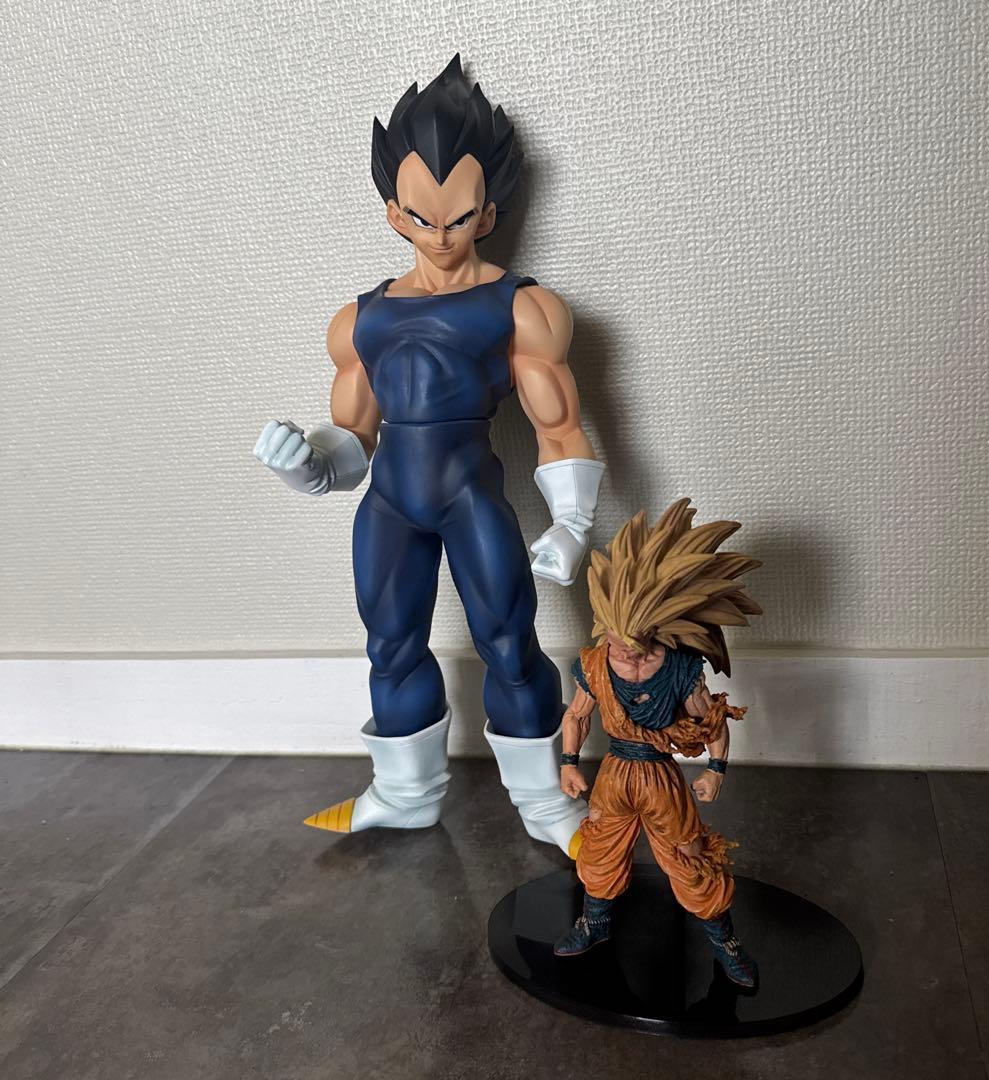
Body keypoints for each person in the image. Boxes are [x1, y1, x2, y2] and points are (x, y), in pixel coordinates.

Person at [253, 56, 605, 854]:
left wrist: (574, 523)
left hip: (471, 496)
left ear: (488, 213)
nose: (439, 236)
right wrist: (304, 465)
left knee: (509, 643)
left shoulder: (524, 308)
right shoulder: (360, 321)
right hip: (391, 504)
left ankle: (545, 802)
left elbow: (558, 428)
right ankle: (405, 792)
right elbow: (352, 444)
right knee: (389, 643)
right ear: (393, 213)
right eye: (420, 216)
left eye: (459, 217)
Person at [554, 499, 761, 987]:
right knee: (599, 852)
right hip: (614, 775)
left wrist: (716, 770)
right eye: (616, 643)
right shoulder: (595, 663)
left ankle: (725, 943)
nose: (625, 655)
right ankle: (595, 924)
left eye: (636, 646)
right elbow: (577, 714)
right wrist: (568, 762)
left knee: (690, 858)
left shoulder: (680, 668)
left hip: (661, 778)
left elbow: (713, 721)